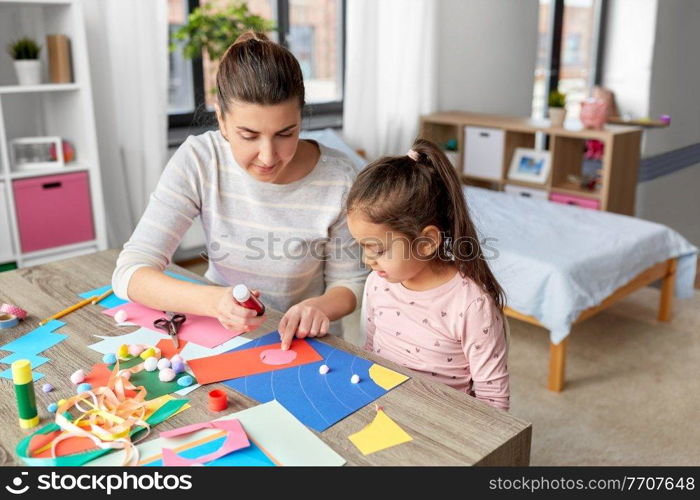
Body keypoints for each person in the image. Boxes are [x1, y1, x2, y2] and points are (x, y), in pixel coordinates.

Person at [112, 32, 366, 349]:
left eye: (285, 133)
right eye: (248, 135)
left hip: (302, 344)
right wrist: (216, 301)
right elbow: (130, 273)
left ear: (300, 118)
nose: (268, 156)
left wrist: (320, 307)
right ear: (221, 119)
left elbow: (351, 282)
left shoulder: (340, 178)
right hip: (217, 335)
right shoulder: (200, 160)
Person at [346, 138, 510, 410]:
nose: (367, 261)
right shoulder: (379, 282)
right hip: (382, 407)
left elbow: (493, 401)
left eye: (377, 249)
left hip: (441, 421)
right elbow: (372, 351)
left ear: (426, 242)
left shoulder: (470, 304)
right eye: (362, 247)